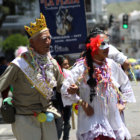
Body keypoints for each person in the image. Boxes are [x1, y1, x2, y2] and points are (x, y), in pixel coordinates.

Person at [61, 32, 136, 140]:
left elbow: (125, 83)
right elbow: (65, 88)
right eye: (103, 44)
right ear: (93, 47)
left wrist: (122, 103)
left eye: (108, 44)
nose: (107, 48)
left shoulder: (111, 64)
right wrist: (81, 102)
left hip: (113, 121)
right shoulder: (82, 67)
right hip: (93, 122)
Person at [0, 13, 64, 140]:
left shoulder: (52, 62)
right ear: (32, 42)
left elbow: (63, 87)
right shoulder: (19, 63)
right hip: (25, 118)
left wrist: (73, 88)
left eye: (49, 38)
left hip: (47, 116)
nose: (48, 42)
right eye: (44, 39)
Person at [53, 55, 71, 140]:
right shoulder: (53, 75)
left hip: (67, 101)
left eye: (68, 64)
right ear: (59, 65)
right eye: (65, 64)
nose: (67, 66)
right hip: (57, 101)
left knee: (67, 123)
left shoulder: (69, 73)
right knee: (59, 124)